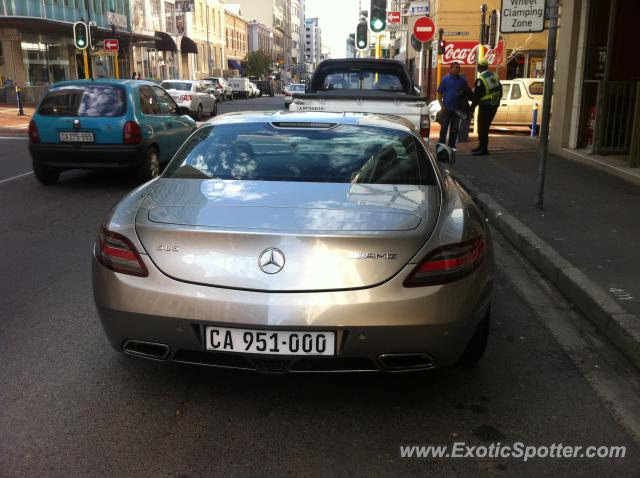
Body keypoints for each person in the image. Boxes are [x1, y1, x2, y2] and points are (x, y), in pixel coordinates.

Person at [470, 58, 502, 156]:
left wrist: (471, 109)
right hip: (494, 105)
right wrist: (497, 100)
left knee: (482, 127)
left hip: (485, 106)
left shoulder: (481, 80)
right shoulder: (494, 75)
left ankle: (483, 149)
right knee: (485, 127)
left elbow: (476, 97)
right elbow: (500, 90)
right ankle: (481, 146)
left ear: (479, 67)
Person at [436, 62, 469, 149]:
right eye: (456, 68)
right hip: (446, 108)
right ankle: (441, 145)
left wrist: (463, 93)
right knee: (444, 129)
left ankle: (451, 145)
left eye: (459, 68)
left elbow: (467, 92)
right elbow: (439, 93)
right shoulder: (445, 80)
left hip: (457, 109)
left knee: (454, 129)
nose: (458, 69)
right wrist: (441, 106)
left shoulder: (463, 80)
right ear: (450, 69)